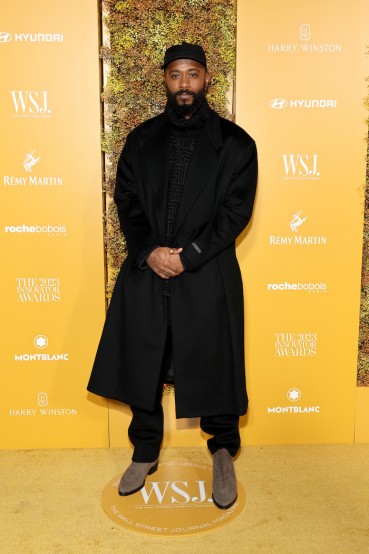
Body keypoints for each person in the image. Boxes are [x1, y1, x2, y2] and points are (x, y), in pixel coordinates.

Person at [88, 42, 258, 510]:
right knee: (145, 361)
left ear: (207, 79)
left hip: (207, 272)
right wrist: (150, 252)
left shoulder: (237, 144)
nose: (184, 84)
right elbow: (127, 200)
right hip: (149, 268)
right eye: (176, 75)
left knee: (215, 361)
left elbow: (235, 211)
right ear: (165, 80)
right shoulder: (141, 139)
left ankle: (223, 452)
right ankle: (144, 451)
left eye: (193, 75)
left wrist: (190, 255)